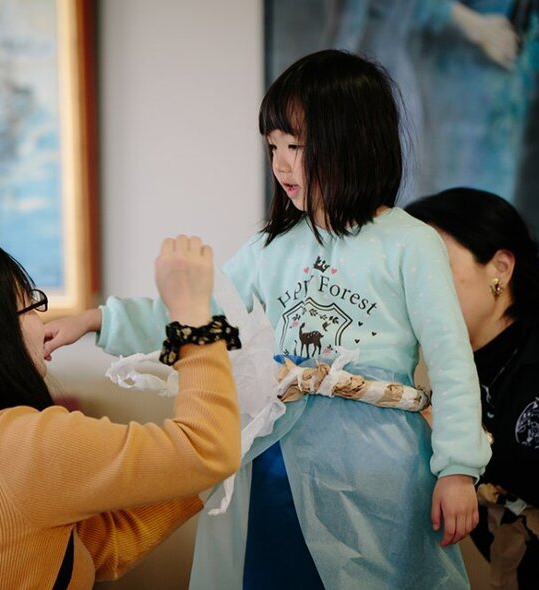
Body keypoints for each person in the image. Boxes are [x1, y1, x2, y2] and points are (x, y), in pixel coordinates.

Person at [44, 50, 491, 588]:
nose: (280, 164)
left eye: (296, 147)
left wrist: (459, 469)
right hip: (278, 463)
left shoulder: (410, 243)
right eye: (273, 147)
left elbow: (452, 363)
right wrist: (96, 319)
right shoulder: (270, 248)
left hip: (378, 471)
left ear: (354, 141)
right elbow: (200, 315)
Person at [0, 235, 242, 589]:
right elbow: (206, 447)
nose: (42, 324)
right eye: (30, 307)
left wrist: (208, 463)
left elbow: (97, 548)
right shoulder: (16, 445)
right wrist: (192, 315)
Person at [406, 187, 539, 588]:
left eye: (434, 266)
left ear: (500, 267)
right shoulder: (455, 378)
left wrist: (469, 444)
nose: (418, 289)